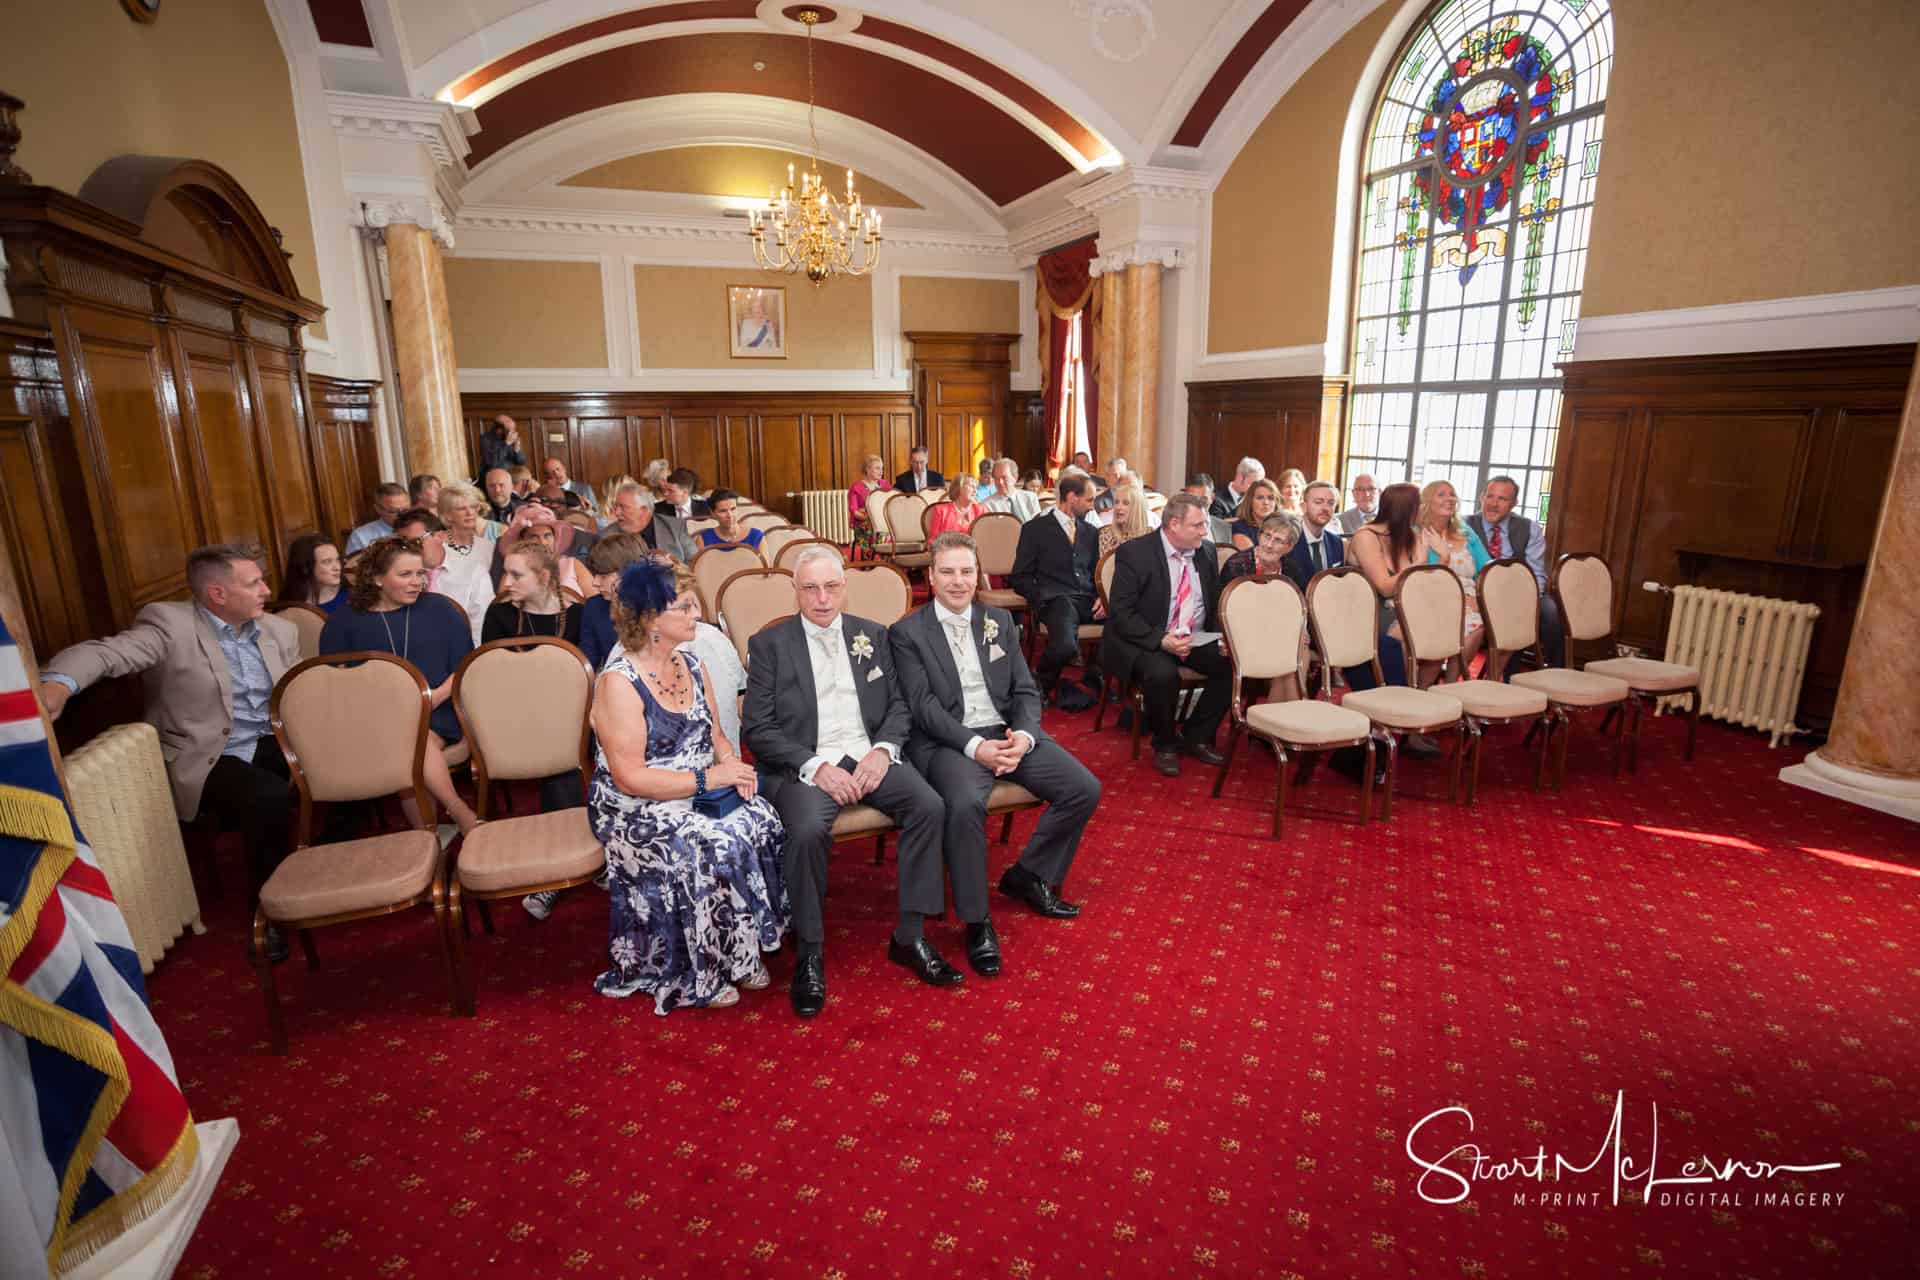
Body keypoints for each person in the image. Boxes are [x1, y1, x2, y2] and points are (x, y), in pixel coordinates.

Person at [39, 545, 303, 958]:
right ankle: (268, 914)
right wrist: (57, 684)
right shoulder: (169, 625)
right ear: (217, 594)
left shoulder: (277, 631)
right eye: (254, 583)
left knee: (336, 772)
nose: (266, 590)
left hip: (273, 739)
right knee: (266, 797)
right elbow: (105, 654)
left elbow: (301, 690)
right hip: (210, 753)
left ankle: (311, 876)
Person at [740, 546, 953, 1016]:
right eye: (810, 588)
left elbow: (901, 706)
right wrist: (816, 767)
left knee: (929, 806)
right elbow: (757, 729)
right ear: (795, 591)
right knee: (808, 829)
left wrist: (884, 750)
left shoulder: (874, 636)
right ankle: (810, 951)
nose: (822, 598)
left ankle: (910, 935)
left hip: (869, 755)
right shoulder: (769, 645)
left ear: (845, 588)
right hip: (806, 764)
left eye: (831, 586)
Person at [589, 559, 787, 1012]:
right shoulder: (620, 682)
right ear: (652, 618)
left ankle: (745, 948)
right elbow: (629, 776)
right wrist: (706, 779)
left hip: (699, 781)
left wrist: (734, 767)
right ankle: (705, 967)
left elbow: (716, 735)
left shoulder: (692, 664)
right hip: (635, 802)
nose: (696, 613)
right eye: (685, 607)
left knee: (761, 818)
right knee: (710, 840)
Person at [892, 532, 1101, 921]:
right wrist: (976, 747)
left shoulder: (999, 620)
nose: (958, 581)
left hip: (1005, 733)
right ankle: (976, 920)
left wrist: (1022, 736)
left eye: (967, 571)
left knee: (1083, 788)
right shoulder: (907, 633)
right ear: (932, 577)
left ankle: (1030, 874)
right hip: (949, 742)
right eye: (948, 572)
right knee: (965, 803)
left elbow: (1024, 688)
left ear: (978, 575)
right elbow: (923, 708)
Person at [318, 538, 481, 835]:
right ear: (377, 578)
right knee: (403, 739)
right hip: (372, 718)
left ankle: (433, 834)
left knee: (412, 741)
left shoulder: (441, 610)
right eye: (405, 575)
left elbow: (465, 667)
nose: (417, 582)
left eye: (420, 573)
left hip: (437, 710)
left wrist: (434, 697)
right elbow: (332, 681)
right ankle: (452, 815)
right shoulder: (344, 622)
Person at [1099, 493, 1232, 778]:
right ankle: (1166, 744)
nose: (1204, 531)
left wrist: (1223, 638)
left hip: (1194, 635)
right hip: (1146, 636)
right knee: (1163, 674)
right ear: (1174, 524)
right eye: (1197, 525)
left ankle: (1196, 735)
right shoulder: (1135, 553)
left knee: (1232, 663)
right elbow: (1122, 614)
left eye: (1204, 524)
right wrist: (1161, 640)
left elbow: (1215, 602)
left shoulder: (1206, 552)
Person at [1010, 473, 1102, 712]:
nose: (1093, 505)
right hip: (1056, 600)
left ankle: (1093, 677)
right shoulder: (1035, 529)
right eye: (1089, 500)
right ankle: (1041, 681)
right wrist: (1041, 597)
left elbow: (1096, 573)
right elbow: (1019, 576)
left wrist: (1103, 597)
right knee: (1065, 647)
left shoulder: (1092, 532)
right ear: (1072, 497)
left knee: (1128, 624)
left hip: (1089, 600)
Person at [1466, 474, 1562, 667]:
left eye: (1502, 499)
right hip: (1478, 592)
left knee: (1552, 611)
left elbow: (1536, 573)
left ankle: (1555, 671)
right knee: (1510, 615)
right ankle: (1503, 676)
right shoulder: (1464, 526)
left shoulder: (1529, 528)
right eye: (1490, 496)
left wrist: (1527, 599)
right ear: (1481, 498)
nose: (1494, 504)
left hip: (1521, 591)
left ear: (1514, 503)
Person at [1416, 479, 1492, 679]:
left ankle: (1452, 684)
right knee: (1462, 627)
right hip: (1434, 596)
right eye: (1441, 494)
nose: (1449, 498)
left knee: (1483, 621)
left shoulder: (1465, 531)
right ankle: (1425, 688)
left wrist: (1480, 597)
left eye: (1452, 494)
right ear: (1427, 502)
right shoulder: (1417, 533)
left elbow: (1486, 568)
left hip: (1472, 595)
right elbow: (1422, 578)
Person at [483, 539, 583, 645]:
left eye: (516, 575)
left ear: (544, 576)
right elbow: (489, 659)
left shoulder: (579, 615)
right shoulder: (498, 614)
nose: (507, 582)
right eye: (506, 573)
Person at [434, 483, 500, 641]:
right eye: (461, 509)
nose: (470, 513)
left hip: (486, 624)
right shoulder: (437, 547)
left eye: (473, 506)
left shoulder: (488, 546)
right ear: (448, 515)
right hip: (448, 623)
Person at [607, 481, 696, 563]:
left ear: (644, 510)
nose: (617, 512)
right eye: (616, 507)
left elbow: (695, 562)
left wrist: (674, 566)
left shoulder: (675, 527)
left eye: (623, 507)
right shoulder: (608, 536)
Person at [1286, 481, 1344, 584]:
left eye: (1331, 503)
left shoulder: (1336, 542)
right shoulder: (1288, 539)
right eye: (1318, 502)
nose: (1325, 508)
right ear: (1304, 506)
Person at [1220, 514, 1299, 588]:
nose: (1269, 545)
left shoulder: (1291, 569)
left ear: (1289, 547)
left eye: (1278, 540)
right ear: (1260, 535)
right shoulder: (1236, 565)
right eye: (1267, 535)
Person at [279, 534, 347, 613]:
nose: (337, 568)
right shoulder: (290, 610)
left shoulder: (353, 595)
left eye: (337, 559)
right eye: (327, 562)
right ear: (305, 568)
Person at [344, 482, 410, 553]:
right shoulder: (360, 536)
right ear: (378, 509)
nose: (402, 515)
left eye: (405, 510)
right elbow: (353, 564)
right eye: (393, 511)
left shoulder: (419, 528)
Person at [848, 454, 892, 554]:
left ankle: (884, 558)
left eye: (882, 468)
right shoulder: (856, 487)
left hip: (882, 521)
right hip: (864, 523)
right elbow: (854, 511)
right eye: (877, 468)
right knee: (870, 528)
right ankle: (870, 558)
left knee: (887, 527)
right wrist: (871, 517)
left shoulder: (885, 485)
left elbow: (890, 505)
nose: (881, 471)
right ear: (867, 469)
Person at [1098, 477, 1150, 560]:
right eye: (1116, 502)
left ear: (1137, 508)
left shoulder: (1150, 535)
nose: (1118, 507)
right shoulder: (1105, 534)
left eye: (1125, 503)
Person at [697, 489, 763, 550]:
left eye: (733, 509)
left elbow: (764, 563)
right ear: (713, 513)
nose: (730, 515)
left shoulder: (756, 536)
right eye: (723, 511)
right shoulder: (704, 538)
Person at [1231, 478, 1282, 550]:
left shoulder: (1283, 527)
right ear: (1250, 502)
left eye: (1271, 498)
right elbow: (1252, 558)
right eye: (1260, 498)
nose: (1266, 503)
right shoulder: (1240, 527)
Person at [984, 457, 1039, 522]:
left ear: (1015, 477)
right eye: (996, 478)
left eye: (1004, 477)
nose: (1000, 482)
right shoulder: (987, 505)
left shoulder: (1030, 498)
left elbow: (1038, 525)